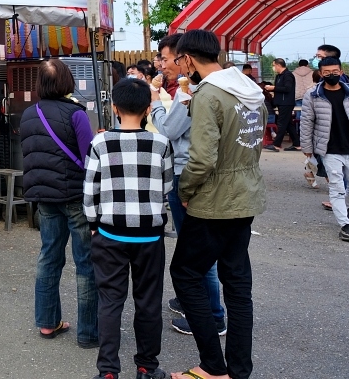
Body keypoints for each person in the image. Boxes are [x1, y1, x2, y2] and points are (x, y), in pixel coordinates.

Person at [170, 30, 267, 379]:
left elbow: (202, 159)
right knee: (238, 286)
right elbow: (255, 143)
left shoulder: (208, 94)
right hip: (247, 195)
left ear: (189, 60)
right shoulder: (250, 90)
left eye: (180, 60)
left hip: (213, 201)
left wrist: (185, 189)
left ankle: (212, 365)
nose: (181, 66)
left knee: (184, 273)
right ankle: (239, 370)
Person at [84, 78, 172, 379]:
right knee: (148, 302)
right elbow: (167, 186)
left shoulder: (100, 143)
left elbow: (89, 192)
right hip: (149, 234)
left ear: (114, 108)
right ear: (148, 108)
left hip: (109, 233)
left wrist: (94, 224)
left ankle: (108, 371)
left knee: (110, 302)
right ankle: (147, 367)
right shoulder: (161, 143)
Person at [149, 34, 226, 337]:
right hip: (195, 173)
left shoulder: (190, 93)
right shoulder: (199, 89)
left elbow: (168, 129)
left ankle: (212, 315)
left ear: (185, 58)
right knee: (191, 245)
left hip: (186, 174)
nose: (163, 64)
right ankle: (189, 300)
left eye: (168, 59)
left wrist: (154, 103)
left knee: (196, 249)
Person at [21, 58, 98, 349]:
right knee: (86, 264)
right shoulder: (76, 114)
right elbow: (89, 157)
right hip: (76, 197)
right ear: (67, 82)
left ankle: (47, 322)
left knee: (49, 256)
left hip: (44, 197)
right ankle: (89, 332)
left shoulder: (28, 114)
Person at [300, 57, 349, 243]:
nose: (331, 75)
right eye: (327, 72)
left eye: (335, 72)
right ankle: (345, 224)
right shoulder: (313, 95)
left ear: (341, 71)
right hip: (330, 150)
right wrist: (307, 147)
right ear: (320, 74)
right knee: (337, 187)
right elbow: (306, 122)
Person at [264, 58, 300, 151]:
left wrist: (274, 88)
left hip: (286, 103)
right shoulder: (279, 76)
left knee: (282, 124)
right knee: (288, 124)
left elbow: (287, 88)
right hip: (280, 102)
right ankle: (297, 144)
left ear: (279, 65)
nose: (273, 67)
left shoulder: (288, 75)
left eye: (274, 65)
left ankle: (276, 144)